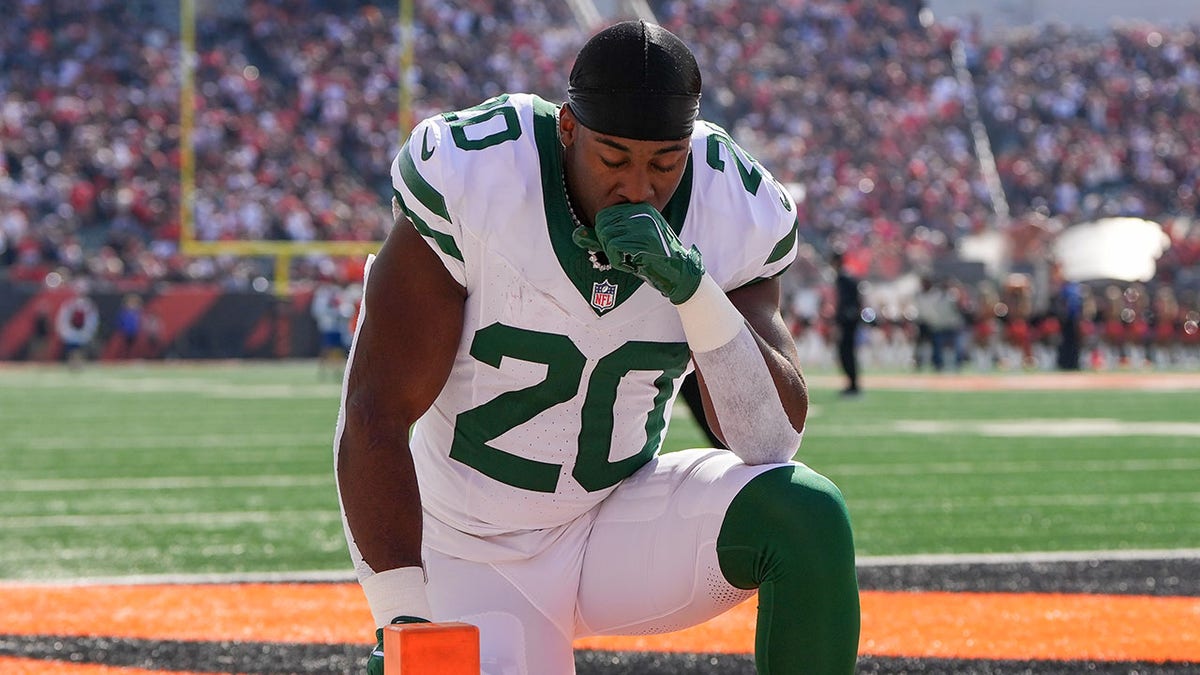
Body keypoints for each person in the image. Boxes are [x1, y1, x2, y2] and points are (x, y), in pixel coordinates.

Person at [335, 21, 859, 675]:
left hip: (615, 515)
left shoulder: (731, 204)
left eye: (663, 164)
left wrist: (692, 287)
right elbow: (374, 411)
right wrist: (402, 618)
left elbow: (769, 440)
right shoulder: (480, 177)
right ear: (568, 131)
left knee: (805, 515)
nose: (637, 188)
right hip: (474, 545)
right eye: (614, 160)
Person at [831, 251, 862, 395]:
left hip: (847, 321)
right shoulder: (848, 276)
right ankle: (853, 383)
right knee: (848, 352)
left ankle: (853, 384)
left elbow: (844, 302)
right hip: (851, 320)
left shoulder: (843, 278)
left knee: (845, 352)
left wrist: (839, 320)